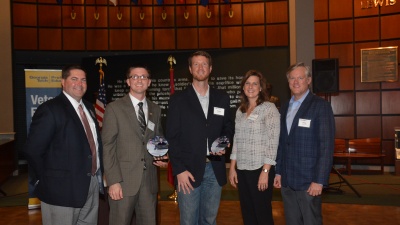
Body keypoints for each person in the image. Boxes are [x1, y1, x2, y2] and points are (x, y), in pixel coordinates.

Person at [23, 65, 104, 225]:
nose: (79, 83)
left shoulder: (89, 108)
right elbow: (33, 150)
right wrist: (45, 180)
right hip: (60, 190)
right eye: (74, 79)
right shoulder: (50, 109)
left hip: (90, 185)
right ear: (62, 82)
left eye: (83, 80)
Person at [166, 50, 234, 225]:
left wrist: (224, 143)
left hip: (215, 168)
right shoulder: (178, 100)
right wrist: (178, 170)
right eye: (196, 64)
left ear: (210, 68)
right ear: (190, 69)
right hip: (187, 171)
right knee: (188, 221)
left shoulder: (222, 98)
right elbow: (172, 138)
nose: (200, 68)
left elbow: (228, 128)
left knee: (209, 220)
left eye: (204, 64)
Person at [102, 66, 168, 225]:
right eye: (135, 76)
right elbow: (108, 146)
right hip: (123, 182)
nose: (139, 80)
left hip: (149, 183)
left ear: (149, 82)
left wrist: (163, 156)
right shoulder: (114, 108)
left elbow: (158, 139)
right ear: (128, 81)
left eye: (144, 77)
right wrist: (113, 181)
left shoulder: (155, 109)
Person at [273, 62, 335, 225]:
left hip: (309, 181)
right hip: (287, 180)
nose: (296, 82)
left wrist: (319, 180)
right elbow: (282, 143)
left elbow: (326, 147)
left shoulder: (321, 106)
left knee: (311, 222)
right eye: (292, 78)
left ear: (308, 80)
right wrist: (278, 172)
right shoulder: (285, 107)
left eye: (300, 78)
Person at [229, 70, 280, 225]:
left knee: (262, 214)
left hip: (260, 169)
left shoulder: (269, 108)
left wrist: (265, 171)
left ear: (261, 87)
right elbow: (236, 139)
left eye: (255, 83)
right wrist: (232, 168)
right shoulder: (240, 111)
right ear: (243, 87)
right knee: (248, 213)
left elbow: (273, 142)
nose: (251, 86)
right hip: (243, 170)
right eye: (247, 83)